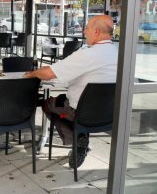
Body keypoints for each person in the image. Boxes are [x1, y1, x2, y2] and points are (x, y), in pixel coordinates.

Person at [24, 15, 117, 168]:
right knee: (65, 101)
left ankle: (77, 139)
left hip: (80, 112)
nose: (84, 32)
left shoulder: (88, 53)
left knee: (47, 104)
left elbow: (48, 73)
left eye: (87, 28)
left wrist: (32, 74)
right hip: (109, 115)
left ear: (97, 31)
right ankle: (81, 138)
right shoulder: (120, 54)